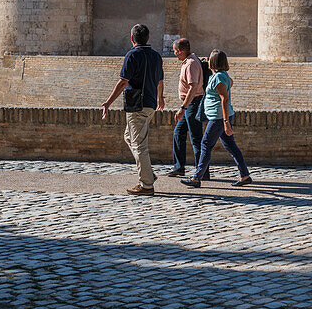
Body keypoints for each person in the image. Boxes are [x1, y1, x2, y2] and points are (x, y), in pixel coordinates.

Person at [102, 23, 164, 196]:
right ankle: (148, 174)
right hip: (150, 103)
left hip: (137, 105)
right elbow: (160, 81)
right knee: (129, 137)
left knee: (139, 145)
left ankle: (147, 185)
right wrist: (160, 98)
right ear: (148, 38)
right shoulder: (156, 56)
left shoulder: (132, 55)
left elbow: (123, 82)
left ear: (132, 39)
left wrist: (108, 102)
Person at [181, 50, 251, 189]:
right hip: (220, 116)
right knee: (230, 145)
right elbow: (230, 83)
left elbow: (224, 99)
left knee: (206, 144)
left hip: (219, 118)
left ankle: (197, 178)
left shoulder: (218, 77)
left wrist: (226, 123)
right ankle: (245, 175)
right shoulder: (221, 76)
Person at [166, 37, 206, 178]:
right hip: (190, 105)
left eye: (175, 51)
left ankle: (202, 172)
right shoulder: (188, 62)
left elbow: (193, 87)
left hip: (192, 105)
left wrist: (183, 107)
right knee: (178, 133)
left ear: (181, 51)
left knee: (196, 139)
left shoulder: (190, 64)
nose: (174, 53)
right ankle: (179, 167)